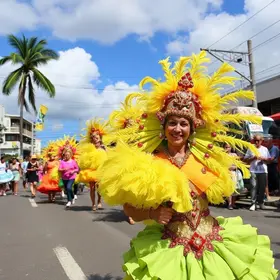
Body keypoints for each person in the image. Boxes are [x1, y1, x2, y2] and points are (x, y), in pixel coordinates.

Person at [96, 52, 278, 279]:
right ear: (163, 127)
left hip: (212, 241)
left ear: (192, 129)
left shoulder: (205, 158)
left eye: (184, 123)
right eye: (172, 123)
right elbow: (129, 209)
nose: (177, 129)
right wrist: (153, 211)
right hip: (171, 246)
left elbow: (219, 193)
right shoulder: (149, 162)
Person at [76, 119, 107, 211]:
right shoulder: (89, 148)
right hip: (91, 171)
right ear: (91, 138)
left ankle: (99, 201)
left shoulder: (104, 147)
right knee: (92, 187)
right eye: (93, 136)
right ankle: (93, 203)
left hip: (101, 170)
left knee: (99, 188)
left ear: (100, 136)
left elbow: (108, 159)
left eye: (97, 135)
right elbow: (84, 160)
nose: (95, 137)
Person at [244, 134, 271, 211]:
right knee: (253, 187)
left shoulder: (265, 149)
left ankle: (261, 202)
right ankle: (253, 203)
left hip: (263, 171)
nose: (256, 142)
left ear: (261, 141)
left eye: (258, 140)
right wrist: (253, 158)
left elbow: (269, 161)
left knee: (262, 187)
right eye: (255, 140)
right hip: (253, 170)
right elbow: (245, 160)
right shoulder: (251, 148)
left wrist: (263, 159)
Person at [223, 143, 244, 210]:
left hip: (234, 173)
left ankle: (233, 203)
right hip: (227, 173)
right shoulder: (223, 155)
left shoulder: (234, 155)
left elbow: (238, 164)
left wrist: (234, 167)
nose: (227, 149)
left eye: (229, 147)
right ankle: (229, 203)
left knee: (235, 188)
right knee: (229, 188)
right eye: (226, 147)